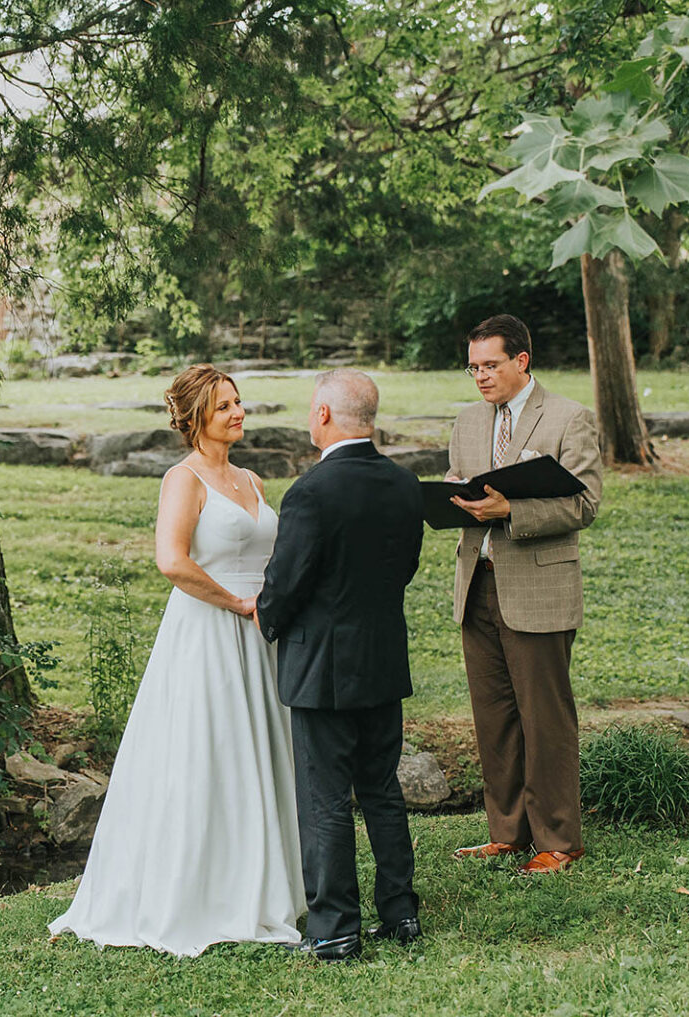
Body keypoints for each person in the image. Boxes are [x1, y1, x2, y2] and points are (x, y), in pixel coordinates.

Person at [47, 364, 304, 957]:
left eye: (239, 403)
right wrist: (237, 602)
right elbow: (172, 560)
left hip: (259, 634)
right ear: (194, 420)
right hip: (209, 630)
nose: (238, 414)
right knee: (207, 753)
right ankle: (203, 891)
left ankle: (267, 882)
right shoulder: (182, 479)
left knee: (262, 752)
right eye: (223, 408)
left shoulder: (252, 479)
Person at [255, 369, 425, 962]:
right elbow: (403, 569)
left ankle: (334, 928)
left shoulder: (311, 491)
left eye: (311, 410)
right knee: (381, 789)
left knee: (324, 798)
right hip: (382, 661)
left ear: (324, 414)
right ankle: (401, 912)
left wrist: (267, 619)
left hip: (322, 667)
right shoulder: (406, 485)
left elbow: (286, 580)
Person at [445, 314, 603, 875]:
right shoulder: (466, 422)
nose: (480, 376)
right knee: (494, 717)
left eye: (490, 365)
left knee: (545, 718)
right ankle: (506, 832)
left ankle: (559, 839)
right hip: (478, 585)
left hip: (539, 587)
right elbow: (458, 488)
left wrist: (514, 510)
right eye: (473, 367)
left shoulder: (567, 418)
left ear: (521, 361)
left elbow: (583, 504)